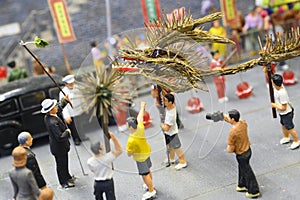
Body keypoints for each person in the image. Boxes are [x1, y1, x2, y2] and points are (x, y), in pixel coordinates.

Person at [224, 109, 260, 198]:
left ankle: (254, 190)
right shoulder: (242, 123)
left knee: (247, 172)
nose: (228, 118)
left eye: (229, 117)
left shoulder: (232, 132)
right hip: (248, 150)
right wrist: (222, 116)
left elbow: (230, 148)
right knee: (242, 168)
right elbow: (233, 120)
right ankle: (242, 184)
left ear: (232, 119)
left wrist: (228, 149)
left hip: (241, 154)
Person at [41, 96, 75, 189]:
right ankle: (63, 182)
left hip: (61, 147)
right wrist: (67, 132)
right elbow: (60, 137)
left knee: (65, 162)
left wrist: (64, 100)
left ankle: (67, 176)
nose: (57, 107)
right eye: (55, 106)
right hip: (59, 147)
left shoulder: (50, 116)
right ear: (51, 110)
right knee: (61, 165)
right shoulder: (52, 122)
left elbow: (59, 108)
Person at [126, 101, 156, 200]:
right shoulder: (140, 128)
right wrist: (143, 107)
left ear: (130, 127)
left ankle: (151, 190)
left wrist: (130, 151)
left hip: (140, 158)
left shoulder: (131, 140)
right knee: (148, 170)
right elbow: (140, 117)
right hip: (146, 152)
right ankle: (151, 185)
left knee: (144, 174)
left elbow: (129, 154)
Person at [87, 131, 122, 200]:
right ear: (100, 150)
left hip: (97, 182)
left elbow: (92, 170)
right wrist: (113, 138)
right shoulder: (107, 158)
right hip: (108, 182)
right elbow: (119, 150)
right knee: (111, 197)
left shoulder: (90, 161)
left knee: (98, 198)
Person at [271, 74, 300, 150]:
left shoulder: (282, 93)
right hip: (282, 113)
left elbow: (284, 108)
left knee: (290, 128)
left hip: (287, 113)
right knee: (283, 125)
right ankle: (286, 137)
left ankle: (296, 140)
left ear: (274, 83)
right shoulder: (276, 88)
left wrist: (275, 105)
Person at [59, 74, 88, 145]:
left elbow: (82, 98)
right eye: (70, 83)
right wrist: (66, 116)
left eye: (73, 83)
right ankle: (76, 139)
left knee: (80, 125)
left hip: (79, 110)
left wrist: (85, 107)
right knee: (73, 128)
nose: (72, 85)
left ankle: (82, 136)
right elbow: (64, 106)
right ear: (66, 84)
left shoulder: (78, 88)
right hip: (71, 113)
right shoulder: (63, 93)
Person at [161, 94, 187, 170]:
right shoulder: (170, 107)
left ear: (170, 102)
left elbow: (166, 128)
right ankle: (171, 159)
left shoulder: (171, 115)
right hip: (168, 133)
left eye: (165, 101)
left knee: (177, 147)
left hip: (172, 133)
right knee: (170, 147)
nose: (164, 102)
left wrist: (161, 124)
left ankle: (183, 161)